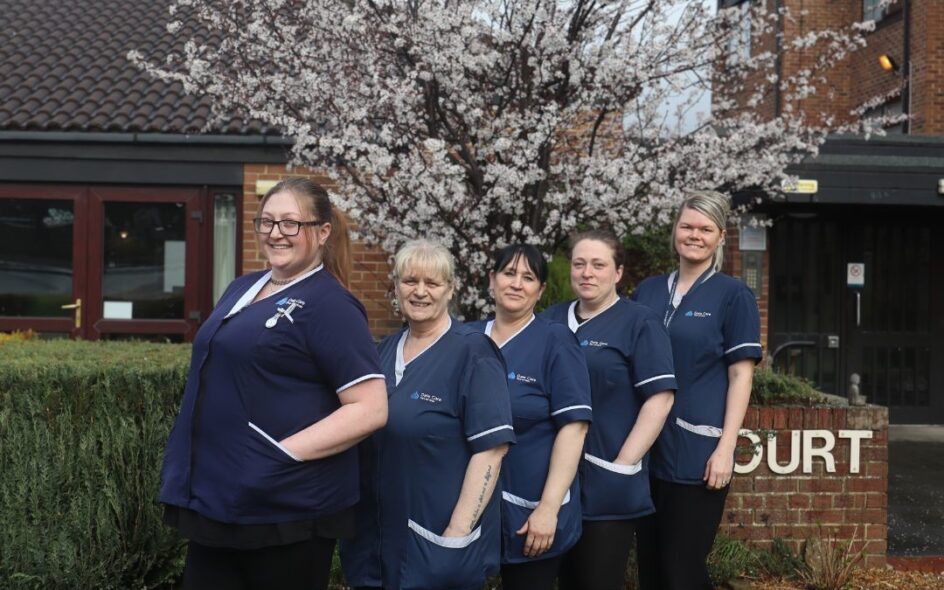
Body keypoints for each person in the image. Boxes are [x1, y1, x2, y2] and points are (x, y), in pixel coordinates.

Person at [159, 177, 388, 590]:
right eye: (266, 222)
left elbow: (369, 408)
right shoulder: (243, 287)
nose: (276, 233)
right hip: (221, 499)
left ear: (322, 232)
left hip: (284, 511)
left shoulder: (331, 306)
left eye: (290, 223)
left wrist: (277, 456)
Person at [341, 239, 516, 590]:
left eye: (432, 283)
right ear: (396, 287)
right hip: (374, 544)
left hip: (435, 542)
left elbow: (492, 450)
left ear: (450, 289)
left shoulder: (473, 353)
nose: (420, 292)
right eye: (410, 281)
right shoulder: (383, 351)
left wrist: (456, 533)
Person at [633, 190, 762, 590]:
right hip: (643, 450)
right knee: (651, 567)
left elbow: (741, 376)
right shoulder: (648, 291)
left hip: (697, 452)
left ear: (721, 237)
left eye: (705, 229)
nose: (694, 235)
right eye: (687, 226)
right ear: (675, 230)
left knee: (682, 568)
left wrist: (726, 449)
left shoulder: (733, 295)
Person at [542, 229, 676, 590]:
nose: (587, 273)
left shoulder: (640, 323)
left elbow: (660, 398)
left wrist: (622, 465)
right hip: (550, 481)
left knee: (597, 580)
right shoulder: (550, 320)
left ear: (618, 273)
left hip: (606, 481)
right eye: (579, 264)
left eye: (598, 265)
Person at [469, 244, 592, 590]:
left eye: (528, 278)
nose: (516, 284)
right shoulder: (465, 339)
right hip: (468, 508)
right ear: (491, 280)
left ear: (540, 290)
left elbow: (574, 427)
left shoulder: (556, 341)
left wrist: (548, 508)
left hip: (530, 508)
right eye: (509, 274)